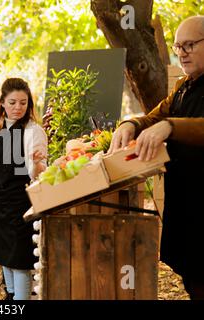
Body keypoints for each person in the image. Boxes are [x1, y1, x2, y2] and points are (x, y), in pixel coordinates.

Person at [108, 16, 204, 300]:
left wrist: (171, 126)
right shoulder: (185, 86)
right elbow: (156, 116)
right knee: (193, 279)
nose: (182, 53)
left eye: (189, 45)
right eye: (178, 47)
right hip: (186, 203)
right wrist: (131, 125)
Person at [0, 78, 47, 300]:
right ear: (2, 103)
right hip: (0, 204)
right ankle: (11, 295)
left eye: (23, 103)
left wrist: (40, 163)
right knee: (5, 258)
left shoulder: (34, 131)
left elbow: (39, 173)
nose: (18, 108)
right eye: (12, 102)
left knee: (20, 261)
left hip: (21, 204)